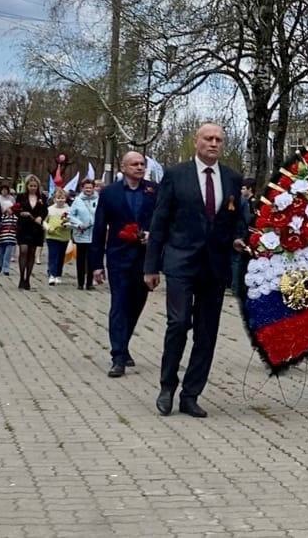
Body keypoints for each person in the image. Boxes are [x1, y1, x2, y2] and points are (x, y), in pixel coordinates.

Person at [145, 122, 246, 417]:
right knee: (178, 324)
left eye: (219, 140)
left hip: (214, 267)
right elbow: (160, 221)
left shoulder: (231, 178)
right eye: (208, 138)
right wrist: (151, 266)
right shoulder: (176, 176)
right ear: (196, 142)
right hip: (180, 262)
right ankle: (167, 386)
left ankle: (191, 394)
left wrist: (239, 237)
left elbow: (237, 218)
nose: (213, 143)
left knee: (207, 332)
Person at [91, 152, 158, 378]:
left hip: (145, 259)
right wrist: (96, 264)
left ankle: (124, 342)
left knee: (136, 304)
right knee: (119, 304)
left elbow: (162, 220)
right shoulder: (110, 193)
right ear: (124, 167)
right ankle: (117, 356)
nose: (139, 167)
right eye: (135, 164)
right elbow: (100, 227)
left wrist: (154, 236)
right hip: (118, 257)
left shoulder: (153, 190)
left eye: (142, 164)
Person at [15, 175, 48, 290]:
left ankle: (28, 278)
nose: (33, 188)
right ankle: (21, 277)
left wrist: (41, 217)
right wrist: (21, 213)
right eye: (31, 186)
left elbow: (45, 210)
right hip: (24, 227)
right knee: (23, 250)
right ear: (27, 186)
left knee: (32, 253)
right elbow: (16, 209)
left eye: (35, 186)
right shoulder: (21, 197)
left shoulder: (42, 197)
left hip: (36, 228)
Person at [69, 178, 99, 290]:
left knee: (92, 259)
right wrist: (79, 224)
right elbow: (71, 215)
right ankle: (80, 282)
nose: (88, 190)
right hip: (81, 233)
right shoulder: (78, 200)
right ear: (82, 188)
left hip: (93, 234)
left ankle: (90, 283)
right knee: (81, 259)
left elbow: (101, 214)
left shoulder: (98, 199)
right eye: (86, 188)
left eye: (90, 188)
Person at [231, 176, 256, 292]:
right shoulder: (244, 201)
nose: (241, 191)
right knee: (237, 261)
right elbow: (248, 219)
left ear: (250, 189)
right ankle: (236, 286)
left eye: (243, 188)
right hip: (241, 233)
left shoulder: (251, 202)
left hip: (240, 233)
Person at [44, 187, 71, 285]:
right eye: (58, 198)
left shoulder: (69, 209)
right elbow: (44, 221)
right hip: (52, 236)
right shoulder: (49, 209)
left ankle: (58, 274)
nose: (60, 200)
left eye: (62, 198)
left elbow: (72, 222)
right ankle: (52, 274)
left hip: (64, 237)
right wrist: (48, 228)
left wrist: (67, 225)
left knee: (61, 256)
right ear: (54, 199)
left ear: (66, 199)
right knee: (53, 255)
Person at [0, 198, 18, 277]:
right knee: (1, 253)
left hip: (11, 239)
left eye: (10, 208)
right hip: (2, 238)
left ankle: (6, 269)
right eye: (8, 208)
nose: (9, 210)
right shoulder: (1, 218)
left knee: (7, 255)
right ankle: (0, 264)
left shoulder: (15, 218)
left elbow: (17, 227)